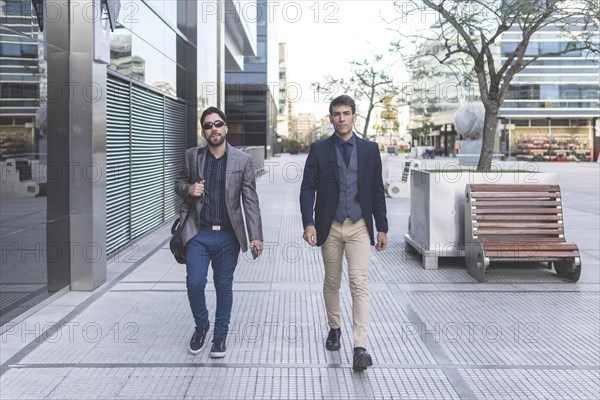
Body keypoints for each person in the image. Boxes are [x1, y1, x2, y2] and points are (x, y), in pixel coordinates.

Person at [300, 95, 388, 372]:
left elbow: (376, 189)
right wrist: (308, 223)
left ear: (354, 117)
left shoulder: (370, 150)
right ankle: (334, 328)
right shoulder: (319, 149)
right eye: (336, 114)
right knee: (332, 281)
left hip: (359, 224)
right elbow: (307, 188)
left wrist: (382, 226)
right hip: (330, 224)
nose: (341, 118)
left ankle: (360, 345)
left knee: (358, 282)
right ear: (330, 117)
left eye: (346, 113)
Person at [175, 106, 263, 358]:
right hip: (198, 234)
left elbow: (250, 201)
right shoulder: (193, 156)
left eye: (217, 124)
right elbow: (178, 183)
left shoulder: (242, 161)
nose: (213, 128)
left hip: (228, 236)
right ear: (203, 132)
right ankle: (201, 326)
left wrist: (255, 235)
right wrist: (189, 188)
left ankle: (220, 336)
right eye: (207, 125)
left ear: (226, 128)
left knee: (223, 285)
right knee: (195, 283)